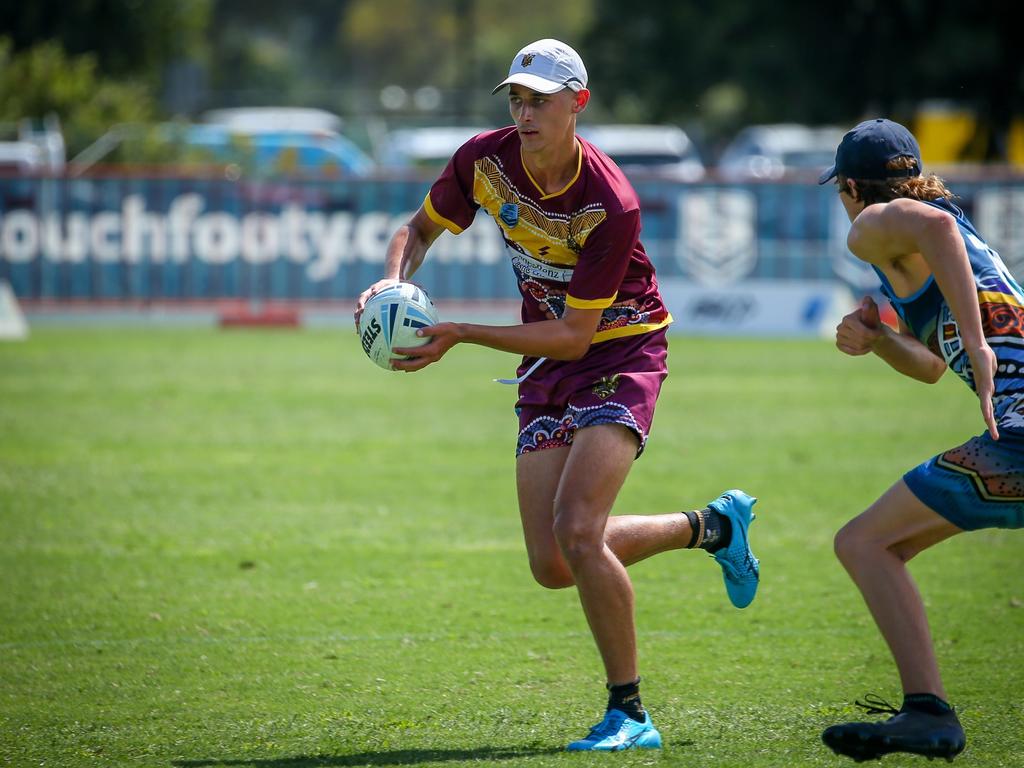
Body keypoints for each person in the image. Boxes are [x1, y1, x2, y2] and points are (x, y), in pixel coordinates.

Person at [354, 39, 761, 752]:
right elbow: (416, 231)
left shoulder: (610, 200)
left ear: (579, 103)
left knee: (579, 530)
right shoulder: (485, 160)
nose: (524, 111)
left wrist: (457, 332)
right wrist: (392, 284)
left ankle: (630, 714)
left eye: (539, 99)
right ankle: (712, 527)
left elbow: (577, 335)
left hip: (621, 351)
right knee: (551, 564)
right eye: (516, 97)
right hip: (549, 363)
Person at [818, 118, 1024, 762]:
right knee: (880, 543)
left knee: (863, 542)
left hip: (1018, 438)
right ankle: (926, 711)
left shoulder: (876, 227)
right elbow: (933, 366)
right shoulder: (937, 230)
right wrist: (881, 341)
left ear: (852, 186)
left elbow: (935, 239)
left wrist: (982, 343)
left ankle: (928, 712)